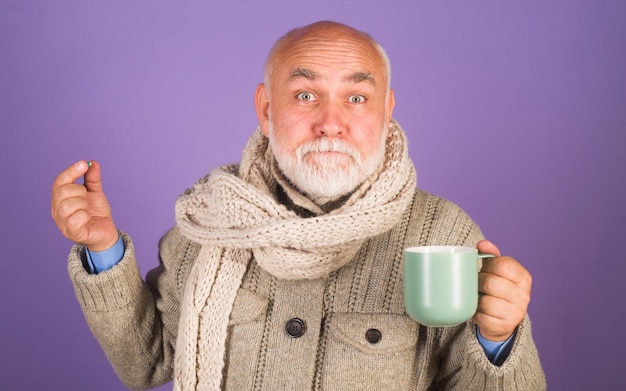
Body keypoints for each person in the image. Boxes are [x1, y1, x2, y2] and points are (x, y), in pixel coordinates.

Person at [51, 21, 546, 390]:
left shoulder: (445, 236)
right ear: (267, 109)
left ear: (386, 111)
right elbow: (147, 362)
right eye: (306, 94)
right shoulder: (207, 224)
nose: (331, 122)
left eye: (356, 98)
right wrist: (104, 250)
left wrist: (499, 338)